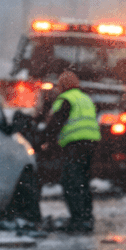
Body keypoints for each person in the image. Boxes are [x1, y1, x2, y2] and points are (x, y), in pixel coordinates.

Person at [42, 70, 100, 233]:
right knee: (83, 181)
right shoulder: (85, 98)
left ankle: (78, 220)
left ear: (63, 86)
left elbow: (55, 124)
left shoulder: (65, 99)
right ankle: (87, 218)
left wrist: (43, 142)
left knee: (70, 182)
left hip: (75, 145)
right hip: (91, 144)